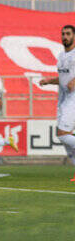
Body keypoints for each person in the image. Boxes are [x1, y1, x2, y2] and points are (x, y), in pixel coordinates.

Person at [40, 25, 75, 180]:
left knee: (62, 134)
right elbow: (63, 78)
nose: (64, 37)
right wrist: (49, 81)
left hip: (73, 99)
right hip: (63, 100)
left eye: (68, 34)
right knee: (65, 138)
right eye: (62, 34)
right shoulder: (61, 56)